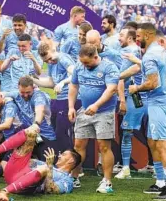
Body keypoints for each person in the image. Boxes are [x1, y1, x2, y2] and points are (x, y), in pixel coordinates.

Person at [0, 124, 81, 201]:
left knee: (43, 168)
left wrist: (48, 167)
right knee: (32, 130)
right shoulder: (44, 163)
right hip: (14, 174)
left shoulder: (68, 180)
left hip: (24, 187)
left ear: (71, 160)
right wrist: (24, 146)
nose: (60, 155)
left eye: (64, 154)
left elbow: (51, 189)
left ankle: (4, 191)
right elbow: (24, 161)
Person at [68, 44, 119, 193]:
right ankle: (74, 177)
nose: (84, 66)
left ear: (96, 57)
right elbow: (73, 86)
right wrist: (71, 107)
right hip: (84, 111)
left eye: (87, 63)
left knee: (104, 147)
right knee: (78, 145)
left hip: (104, 112)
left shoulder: (109, 67)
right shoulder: (79, 67)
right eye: (82, 62)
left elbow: (111, 89)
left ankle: (107, 182)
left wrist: (96, 105)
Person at [127, 23, 166, 199]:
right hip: (157, 102)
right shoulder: (160, 50)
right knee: (152, 140)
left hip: (159, 102)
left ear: (148, 35)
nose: (137, 40)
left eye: (139, 37)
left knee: (160, 143)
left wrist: (136, 88)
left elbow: (152, 83)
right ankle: (160, 181)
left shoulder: (151, 55)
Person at [115, 28, 149, 179]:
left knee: (127, 133)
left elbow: (121, 78)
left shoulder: (129, 51)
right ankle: (156, 169)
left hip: (135, 98)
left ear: (130, 38)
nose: (118, 38)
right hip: (149, 97)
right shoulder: (141, 51)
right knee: (155, 135)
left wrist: (122, 99)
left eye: (121, 35)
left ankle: (126, 168)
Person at [34, 42, 78, 152]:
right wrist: (33, 81)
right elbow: (51, 83)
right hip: (59, 99)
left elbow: (75, 75)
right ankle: (63, 156)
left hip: (70, 98)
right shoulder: (50, 64)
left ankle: (69, 159)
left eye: (50, 58)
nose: (49, 61)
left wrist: (63, 82)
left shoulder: (63, 58)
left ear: (54, 50)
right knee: (55, 130)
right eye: (46, 61)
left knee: (61, 131)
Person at [9, 76, 57, 161]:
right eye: (22, 92)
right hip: (29, 134)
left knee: (48, 163)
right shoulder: (16, 94)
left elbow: (40, 110)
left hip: (44, 136)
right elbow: (0, 94)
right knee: (19, 131)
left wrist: (36, 124)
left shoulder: (39, 96)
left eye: (28, 92)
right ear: (18, 87)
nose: (25, 95)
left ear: (33, 87)